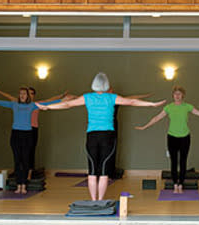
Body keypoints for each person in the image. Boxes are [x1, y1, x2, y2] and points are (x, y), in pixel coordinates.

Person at [37, 72, 165, 201]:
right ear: (106, 85)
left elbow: (67, 104)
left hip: (92, 136)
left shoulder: (87, 97)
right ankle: (100, 200)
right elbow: (131, 101)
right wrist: (151, 104)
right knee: (104, 170)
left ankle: (94, 201)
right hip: (107, 136)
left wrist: (49, 107)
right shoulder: (111, 97)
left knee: (92, 170)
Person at [135, 86, 199, 194]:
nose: (177, 96)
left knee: (183, 161)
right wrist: (145, 126)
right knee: (173, 162)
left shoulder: (187, 107)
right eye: (175, 94)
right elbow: (156, 118)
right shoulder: (169, 107)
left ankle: (180, 184)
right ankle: (175, 185)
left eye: (179, 94)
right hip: (172, 137)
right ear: (173, 95)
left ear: (183, 96)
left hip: (185, 137)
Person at [0, 87, 62, 194]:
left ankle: (24, 185)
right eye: (20, 93)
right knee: (17, 161)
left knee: (25, 160)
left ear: (27, 96)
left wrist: (63, 100)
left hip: (27, 135)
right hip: (16, 134)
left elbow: (49, 103)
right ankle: (18, 185)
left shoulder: (32, 105)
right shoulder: (14, 104)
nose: (22, 95)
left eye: (24, 94)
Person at [0, 85, 70, 174]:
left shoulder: (36, 104)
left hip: (33, 129)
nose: (29, 95)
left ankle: (29, 171)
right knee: (19, 152)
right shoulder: (18, 103)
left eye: (31, 93)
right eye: (27, 93)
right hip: (21, 129)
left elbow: (50, 101)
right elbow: (8, 97)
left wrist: (63, 96)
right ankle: (19, 172)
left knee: (31, 150)